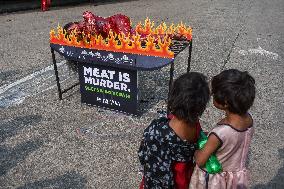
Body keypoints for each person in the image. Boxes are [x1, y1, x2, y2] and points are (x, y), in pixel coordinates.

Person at [138, 72, 210, 189]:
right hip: (184, 176)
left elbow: (144, 156)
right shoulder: (195, 122)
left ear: (174, 96)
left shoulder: (159, 131)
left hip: (167, 180)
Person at [190, 69, 256, 189]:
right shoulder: (249, 120)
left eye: (214, 94)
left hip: (217, 181)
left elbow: (200, 160)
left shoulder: (220, 133)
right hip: (236, 178)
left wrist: (194, 150)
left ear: (225, 103)